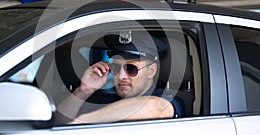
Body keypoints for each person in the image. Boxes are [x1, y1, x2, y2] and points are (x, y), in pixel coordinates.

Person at [55, 31, 184, 124]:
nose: (121, 76)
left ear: (151, 71)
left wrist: (84, 121)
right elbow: (59, 123)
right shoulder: (106, 100)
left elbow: (157, 108)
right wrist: (83, 91)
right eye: (116, 68)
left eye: (131, 69)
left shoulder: (168, 99)